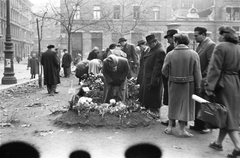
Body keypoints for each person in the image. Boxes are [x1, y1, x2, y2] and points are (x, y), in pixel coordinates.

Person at [204, 26, 240, 157]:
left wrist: (209, 87)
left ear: (223, 35)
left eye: (219, 34)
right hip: (235, 84)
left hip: (223, 84)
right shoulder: (238, 48)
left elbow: (215, 68)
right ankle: (218, 143)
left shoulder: (221, 47)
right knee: (227, 114)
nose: (218, 37)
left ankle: (238, 146)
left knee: (227, 116)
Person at [162, 34, 202, 137]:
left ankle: (170, 127)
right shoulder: (194, 54)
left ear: (176, 42)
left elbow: (164, 70)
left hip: (173, 83)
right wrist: (198, 86)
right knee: (185, 106)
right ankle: (182, 129)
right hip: (188, 85)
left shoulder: (170, 54)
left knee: (173, 104)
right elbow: (197, 72)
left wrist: (171, 77)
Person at [189, 26, 216, 134]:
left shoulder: (210, 45)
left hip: (204, 79)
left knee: (204, 103)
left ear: (203, 34)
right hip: (199, 78)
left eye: (196, 35)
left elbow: (211, 63)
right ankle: (198, 124)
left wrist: (203, 75)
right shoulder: (201, 45)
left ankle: (205, 126)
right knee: (198, 101)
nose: (195, 37)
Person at [138, 34, 165, 117]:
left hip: (153, 79)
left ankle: (155, 115)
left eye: (150, 43)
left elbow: (158, 69)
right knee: (148, 98)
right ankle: (149, 113)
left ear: (155, 42)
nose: (148, 45)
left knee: (153, 99)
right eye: (148, 44)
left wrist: (154, 82)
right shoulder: (152, 49)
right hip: (147, 77)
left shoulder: (160, 51)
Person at [161, 29, 178, 127]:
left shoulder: (170, 48)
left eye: (169, 38)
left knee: (171, 100)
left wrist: (166, 75)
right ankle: (177, 120)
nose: (168, 40)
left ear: (173, 38)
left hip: (170, 78)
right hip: (178, 77)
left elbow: (166, 66)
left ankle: (171, 121)